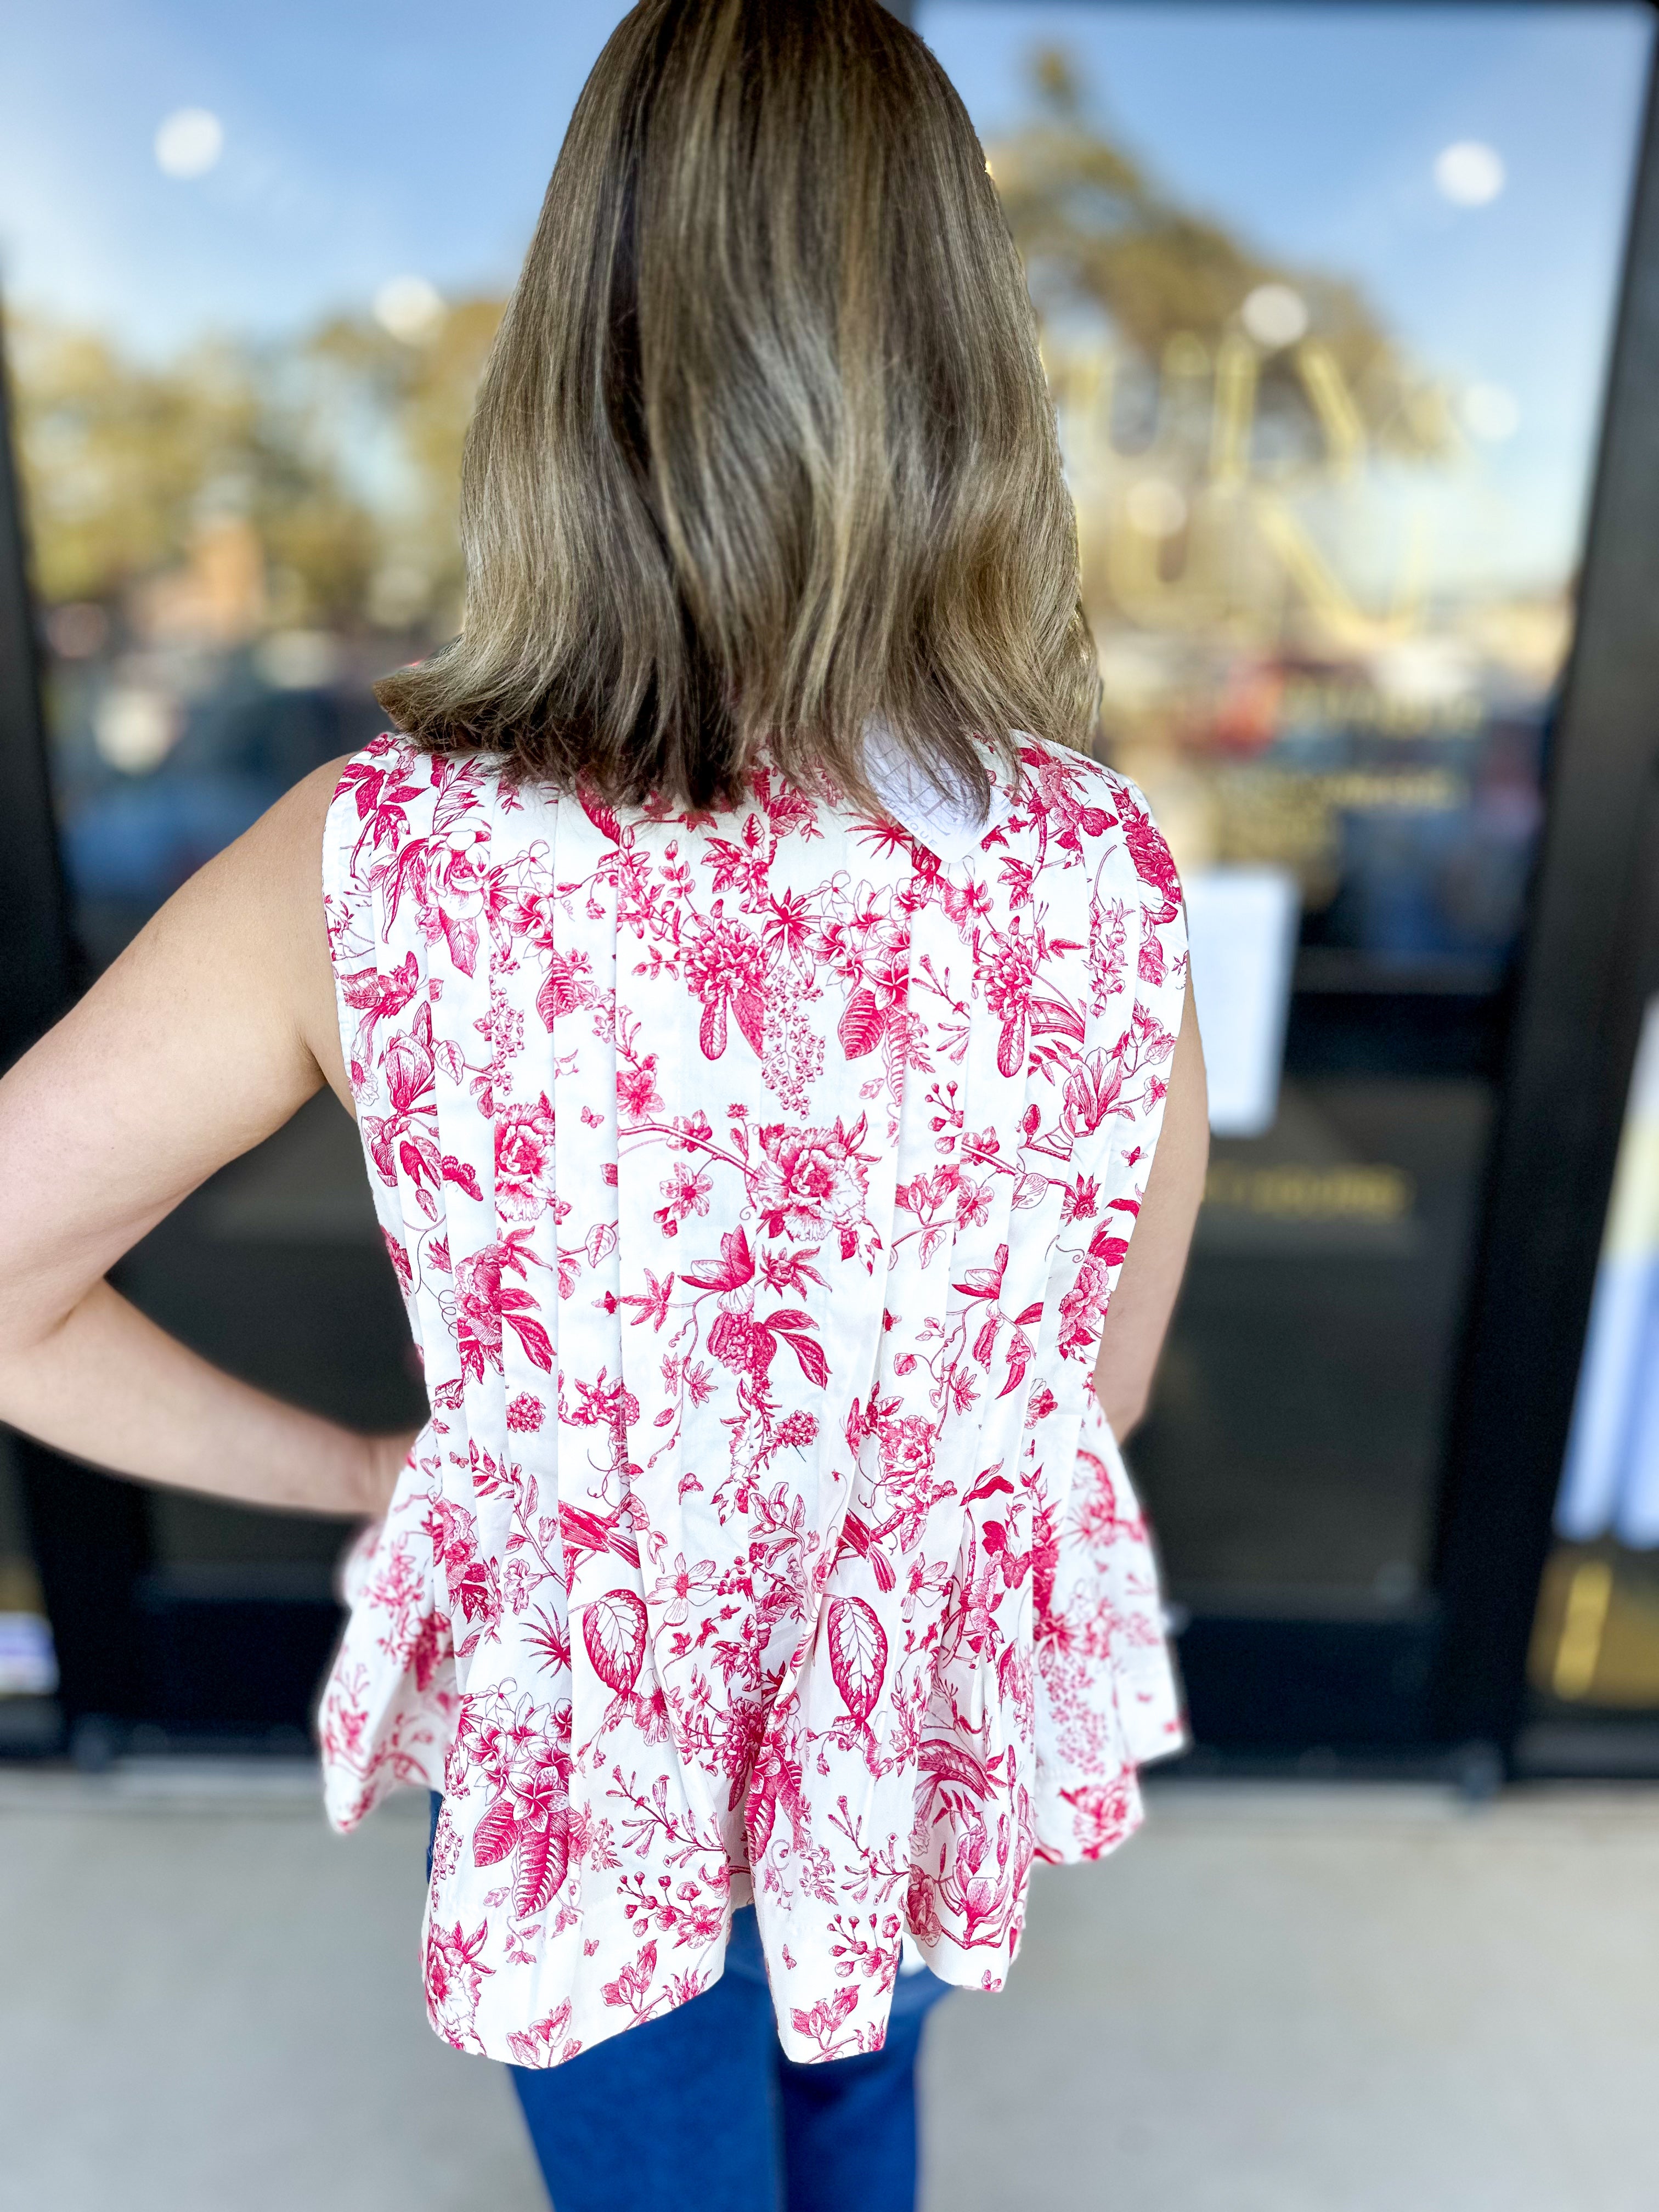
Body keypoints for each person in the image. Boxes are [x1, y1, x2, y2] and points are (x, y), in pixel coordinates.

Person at [0, 2, 1208, 2204]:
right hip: (908, 1735)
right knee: (864, 2093)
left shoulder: (372, 862)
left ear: (586, 364)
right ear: (966, 364)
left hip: (598, 1732)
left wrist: (379, 1467)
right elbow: (1092, 1391)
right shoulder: (1100, 873)